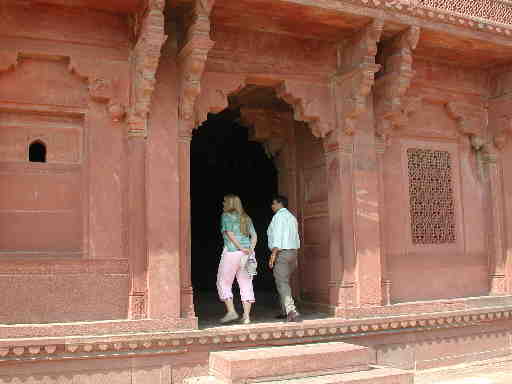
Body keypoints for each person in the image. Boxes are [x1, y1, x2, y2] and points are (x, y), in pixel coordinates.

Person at [217, 194, 257, 324]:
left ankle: (231, 311)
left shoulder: (226, 216)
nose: (223, 204)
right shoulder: (246, 218)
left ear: (230, 203)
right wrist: (249, 249)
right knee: (246, 283)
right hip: (247, 254)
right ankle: (246, 316)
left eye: (224, 202)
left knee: (223, 281)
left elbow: (230, 234)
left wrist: (240, 247)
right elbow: (255, 236)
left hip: (232, 252)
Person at [267, 195, 301, 322]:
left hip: (282, 253)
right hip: (293, 252)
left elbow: (277, 237)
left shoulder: (278, 217)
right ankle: (284, 310)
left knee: (282, 282)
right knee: (284, 281)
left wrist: (273, 255)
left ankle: (291, 311)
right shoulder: (292, 217)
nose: (272, 206)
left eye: (273, 203)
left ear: (279, 203)